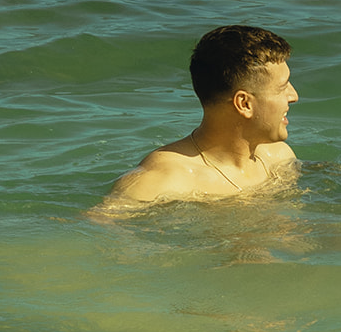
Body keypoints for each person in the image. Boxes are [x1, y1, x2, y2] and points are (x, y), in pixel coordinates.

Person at [92, 24, 298, 214]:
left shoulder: (278, 157)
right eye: (282, 87)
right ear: (244, 104)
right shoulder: (165, 179)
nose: (294, 96)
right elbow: (97, 226)